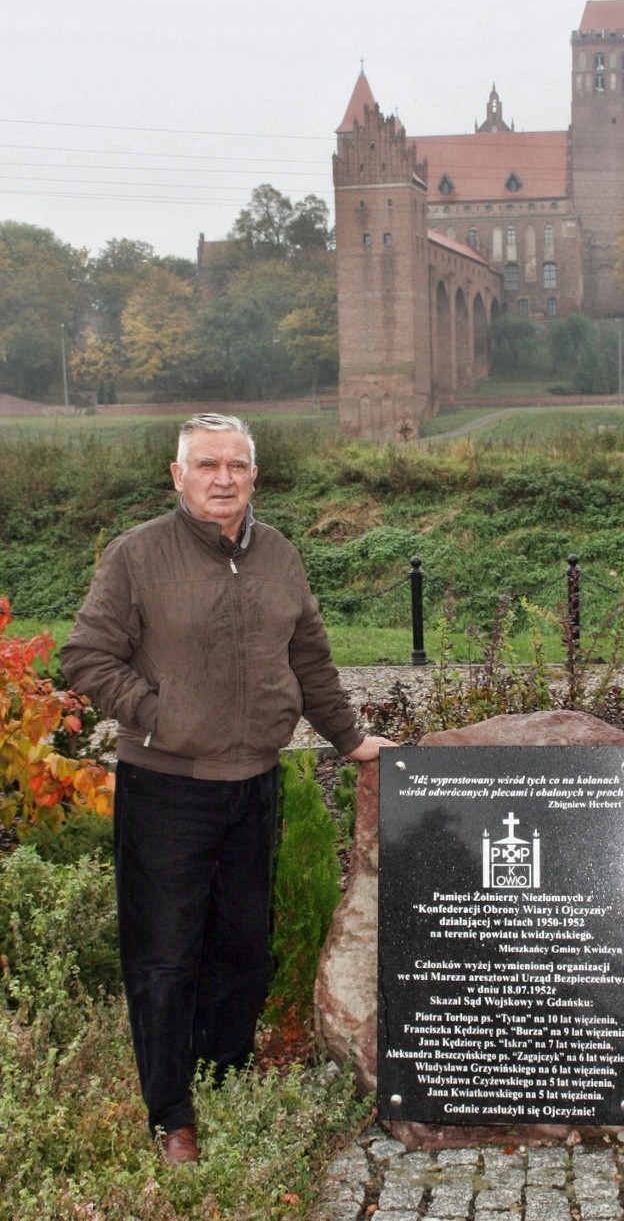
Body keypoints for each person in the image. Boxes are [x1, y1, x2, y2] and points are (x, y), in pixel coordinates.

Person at [60, 413, 394, 1163]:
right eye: (206, 465)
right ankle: (170, 1111)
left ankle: (225, 1071)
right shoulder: (137, 556)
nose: (222, 478)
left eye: (235, 465)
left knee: (242, 949)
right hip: (166, 788)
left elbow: (308, 654)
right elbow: (84, 655)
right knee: (165, 953)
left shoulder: (278, 554)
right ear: (178, 476)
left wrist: (348, 737)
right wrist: (158, 713)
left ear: (253, 476)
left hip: (254, 784)